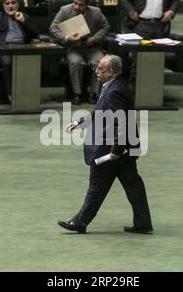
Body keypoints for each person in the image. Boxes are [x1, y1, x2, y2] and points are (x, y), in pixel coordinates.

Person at [58, 54, 153, 234]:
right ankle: (143, 223)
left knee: (97, 185)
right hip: (127, 148)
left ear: (111, 72)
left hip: (111, 150)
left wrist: (116, 150)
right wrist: (80, 123)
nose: (96, 71)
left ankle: (80, 222)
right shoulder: (116, 85)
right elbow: (99, 112)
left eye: (100, 69)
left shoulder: (115, 91)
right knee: (133, 185)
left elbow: (121, 122)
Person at [49, 0, 110, 105]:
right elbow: (53, 29)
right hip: (73, 47)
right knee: (76, 62)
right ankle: (77, 94)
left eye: (80, 5)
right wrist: (67, 38)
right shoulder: (64, 10)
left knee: (100, 62)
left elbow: (105, 27)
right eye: (75, 3)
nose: (76, 7)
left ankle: (94, 93)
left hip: (91, 46)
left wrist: (95, 38)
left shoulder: (96, 12)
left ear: (87, 5)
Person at [0, 0, 39, 100]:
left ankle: (29, 94)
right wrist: (5, 44)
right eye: (7, 3)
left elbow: (35, 34)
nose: (10, 6)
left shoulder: (24, 16)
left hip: (23, 47)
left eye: (13, 3)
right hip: (6, 47)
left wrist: (23, 21)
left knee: (32, 61)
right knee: (8, 63)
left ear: (18, 4)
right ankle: (11, 94)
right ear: (3, 5)